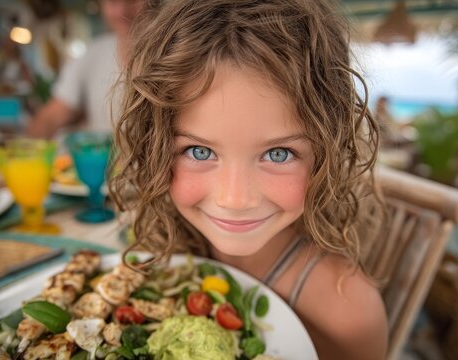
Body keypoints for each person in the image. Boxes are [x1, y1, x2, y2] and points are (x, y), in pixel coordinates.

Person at [111, 0, 388, 359]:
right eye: (199, 151)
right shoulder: (167, 253)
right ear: (154, 149)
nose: (234, 199)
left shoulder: (348, 310)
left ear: (328, 154)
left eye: (278, 154)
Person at [26, 0, 153, 138]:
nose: (121, 11)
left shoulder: (174, 55)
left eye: (132, 1)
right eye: (112, 2)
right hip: (104, 159)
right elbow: (49, 119)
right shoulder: (92, 55)